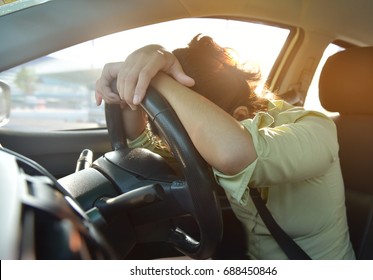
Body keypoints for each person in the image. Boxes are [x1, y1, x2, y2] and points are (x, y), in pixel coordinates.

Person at [95, 35, 355, 260]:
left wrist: (160, 79)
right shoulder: (212, 137)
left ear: (239, 116)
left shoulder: (314, 129)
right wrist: (133, 77)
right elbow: (144, 147)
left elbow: (234, 154)